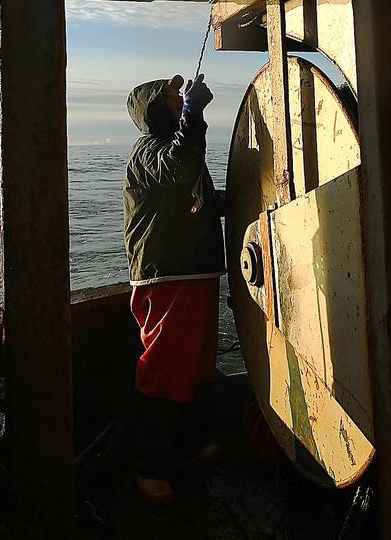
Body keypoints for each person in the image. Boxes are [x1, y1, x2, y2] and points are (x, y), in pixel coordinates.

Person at [122, 72, 224, 505]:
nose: (178, 98)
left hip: (194, 271)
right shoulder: (149, 152)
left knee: (196, 366)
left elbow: (206, 200)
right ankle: (147, 466)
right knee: (164, 367)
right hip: (166, 276)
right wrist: (194, 115)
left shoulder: (179, 148)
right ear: (153, 108)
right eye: (170, 96)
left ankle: (183, 450)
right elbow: (180, 169)